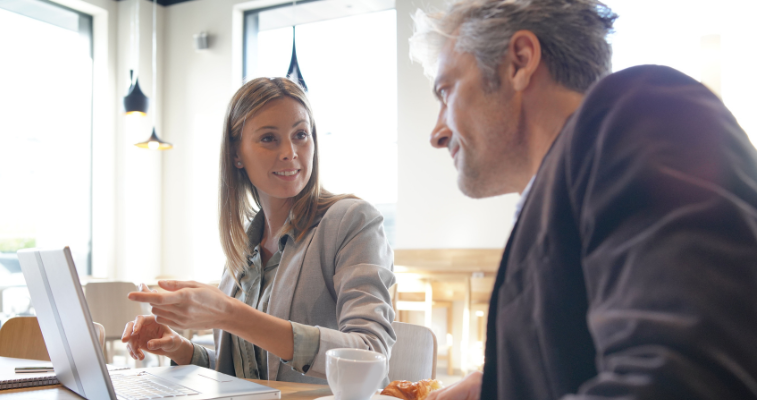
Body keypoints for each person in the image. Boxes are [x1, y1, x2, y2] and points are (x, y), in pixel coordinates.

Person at [409, 0, 757, 399]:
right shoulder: (557, 201)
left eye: (445, 91)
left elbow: (682, 381)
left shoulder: (645, 112)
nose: (437, 133)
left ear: (519, 62)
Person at [120, 77, 396, 384]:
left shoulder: (351, 221)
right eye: (269, 138)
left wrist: (230, 314)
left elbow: (373, 354)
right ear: (236, 155)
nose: (290, 152)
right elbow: (247, 371)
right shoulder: (242, 252)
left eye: (301, 135)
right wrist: (182, 349)